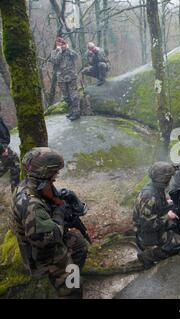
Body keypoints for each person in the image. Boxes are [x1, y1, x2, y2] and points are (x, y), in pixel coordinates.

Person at [10, 147, 88, 298]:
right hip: (42, 254)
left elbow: (51, 202)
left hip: (43, 239)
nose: (56, 175)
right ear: (45, 172)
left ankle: (70, 275)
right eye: (55, 172)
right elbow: (47, 240)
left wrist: (66, 199)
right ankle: (68, 285)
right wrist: (60, 214)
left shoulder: (32, 184)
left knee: (80, 244)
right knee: (73, 290)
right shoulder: (31, 204)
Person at [133, 162, 180, 268]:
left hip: (158, 224)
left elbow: (157, 206)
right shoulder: (149, 196)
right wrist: (167, 216)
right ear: (163, 179)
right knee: (179, 244)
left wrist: (166, 203)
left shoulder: (156, 187)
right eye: (169, 177)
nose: (170, 179)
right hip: (146, 234)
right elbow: (146, 225)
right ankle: (147, 256)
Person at [50, 37, 81, 121]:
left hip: (71, 77)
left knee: (74, 95)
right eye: (58, 44)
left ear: (64, 44)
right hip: (61, 78)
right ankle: (71, 111)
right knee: (66, 97)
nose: (61, 45)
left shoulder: (69, 52)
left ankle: (76, 112)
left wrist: (68, 49)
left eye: (62, 44)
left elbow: (76, 57)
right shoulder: (54, 53)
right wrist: (59, 51)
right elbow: (54, 61)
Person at [0, 117, 19, 192]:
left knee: (7, 165)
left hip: (3, 144)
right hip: (2, 146)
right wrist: (2, 149)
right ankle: (16, 193)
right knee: (15, 166)